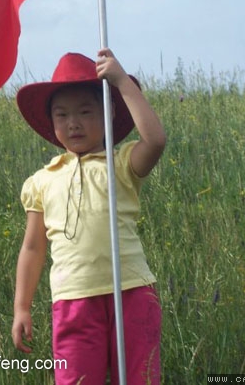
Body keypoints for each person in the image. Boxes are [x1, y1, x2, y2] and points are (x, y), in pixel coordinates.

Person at [11, 48, 166, 385]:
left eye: (85, 111)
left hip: (132, 294)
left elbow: (155, 140)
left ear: (109, 112)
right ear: (52, 123)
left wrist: (122, 82)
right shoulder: (42, 180)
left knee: (142, 378)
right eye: (62, 115)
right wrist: (21, 307)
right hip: (72, 301)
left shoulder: (122, 164)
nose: (74, 123)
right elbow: (33, 249)